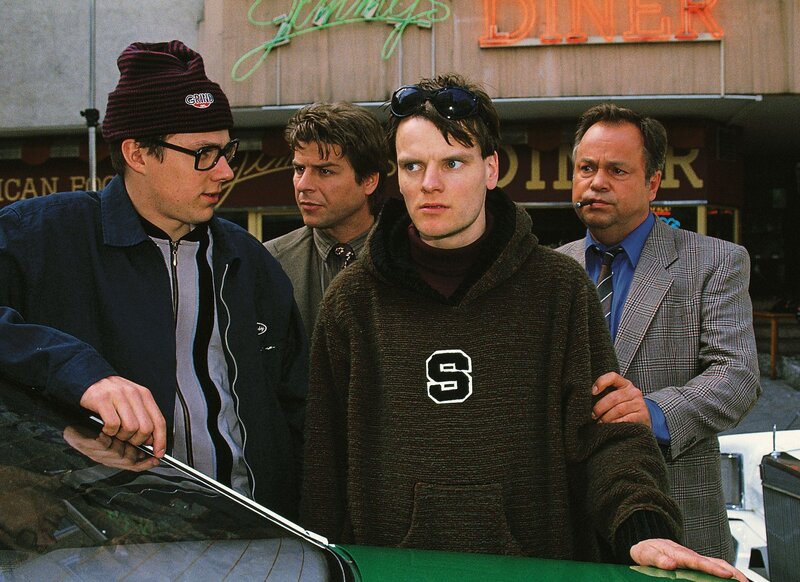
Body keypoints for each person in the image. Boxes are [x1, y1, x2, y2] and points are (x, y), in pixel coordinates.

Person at [300, 74, 746, 581]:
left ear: (490, 169)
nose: (429, 184)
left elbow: (603, 436)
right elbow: (323, 467)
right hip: (393, 571)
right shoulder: (352, 302)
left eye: (452, 163)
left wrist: (643, 529)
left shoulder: (559, 289)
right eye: (412, 166)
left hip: (536, 569)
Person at [0, 40, 307, 518]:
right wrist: (78, 373)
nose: (226, 171)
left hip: (257, 529)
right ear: (138, 154)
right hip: (108, 535)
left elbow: (298, 408)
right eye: (203, 153)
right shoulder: (38, 237)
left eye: (227, 150)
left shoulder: (249, 260)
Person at [557, 103, 760, 561]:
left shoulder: (715, 261)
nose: (596, 182)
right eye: (586, 168)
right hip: (569, 528)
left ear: (652, 183)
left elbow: (737, 376)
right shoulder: (550, 269)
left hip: (674, 515)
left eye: (617, 170)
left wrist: (652, 412)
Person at [265, 102, 390, 340]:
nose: (304, 185)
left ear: (369, 181)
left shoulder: (411, 258)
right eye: (299, 169)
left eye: (325, 171)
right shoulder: (269, 263)